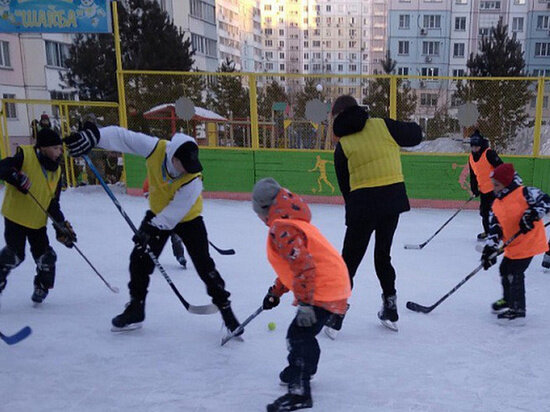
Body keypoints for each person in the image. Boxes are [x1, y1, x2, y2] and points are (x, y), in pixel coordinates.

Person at [64, 123, 241, 333]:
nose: (187, 169)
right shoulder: (156, 148)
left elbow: (174, 213)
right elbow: (122, 137)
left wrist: (149, 229)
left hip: (188, 218)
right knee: (139, 260)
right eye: (183, 164)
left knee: (205, 266)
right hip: (158, 212)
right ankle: (136, 308)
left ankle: (226, 310)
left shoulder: (193, 179)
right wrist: (94, 137)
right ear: (173, 157)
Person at [252, 178, 351, 412]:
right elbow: (293, 265)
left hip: (322, 289)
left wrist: (305, 304)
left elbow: (303, 266)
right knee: (305, 335)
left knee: (298, 335)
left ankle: (299, 392)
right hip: (335, 285)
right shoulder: (294, 223)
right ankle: (303, 368)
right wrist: (276, 292)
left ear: (265, 210)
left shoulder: (282, 228)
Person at [326, 95, 422, 336]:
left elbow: (346, 188)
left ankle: (336, 314)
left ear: (338, 117)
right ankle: (390, 309)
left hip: (363, 205)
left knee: (349, 261)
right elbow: (416, 135)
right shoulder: (383, 125)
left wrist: (355, 214)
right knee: (383, 256)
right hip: (392, 201)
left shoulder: (343, 146)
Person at [0, 128, 76, 305]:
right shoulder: (25, 155)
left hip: (37, 222)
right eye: (56, 148)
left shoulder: (56, 171)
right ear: (43, 148)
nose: (60, 152)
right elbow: (2, 167)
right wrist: (15, 176)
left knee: (47, 258)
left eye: (60, 148)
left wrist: (61, 226)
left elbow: (53, 203)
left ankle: (42, 286)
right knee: (15, 255)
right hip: (16, 217)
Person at [481, 163, 550, 324]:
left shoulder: (525, 193)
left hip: (529, 243)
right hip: (513, 246)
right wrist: (489, 249)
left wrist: (532, 214)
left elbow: (546, 201)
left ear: (506, 183)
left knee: (514, 273)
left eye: (497, 185)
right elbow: (495, 227)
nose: (494, 188)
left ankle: (518, 308)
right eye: (493, 184)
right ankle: (508, 299)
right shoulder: (497, 203)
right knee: (504, 269)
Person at [143, 177, 187, 268]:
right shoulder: (152, 177)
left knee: (176, 236)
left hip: (173, 214)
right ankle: (150, 256)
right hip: (159, 214)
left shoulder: (174, 176)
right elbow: (146, 192)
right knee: (155, 236)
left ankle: (180, 256)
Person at [468, 130, 503, 240]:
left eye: (476, 146)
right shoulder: (471, 158)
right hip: (484, 190)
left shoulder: (489, 153)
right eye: (472, 147)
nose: (474, 149)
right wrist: (474, 189)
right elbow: (473, 175)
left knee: (496, 212)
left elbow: (501, 168)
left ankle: (499, 232)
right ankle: (488, 232)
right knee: (484, 212)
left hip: (495, 190)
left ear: (481, 145)